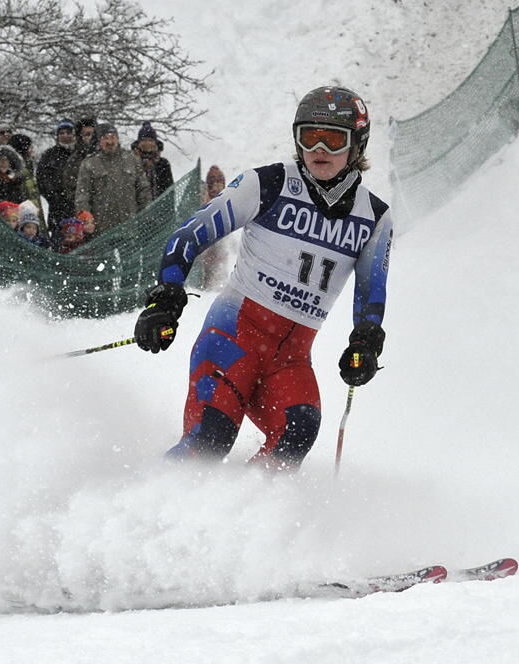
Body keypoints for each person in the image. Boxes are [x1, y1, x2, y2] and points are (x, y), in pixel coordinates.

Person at [133, 86, 393, 471]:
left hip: (289, 359)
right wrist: (165, 297)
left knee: (298, 431)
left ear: (358, 146)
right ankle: (139, 502)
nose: (319, 148)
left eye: (334, 139)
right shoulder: (268, 183)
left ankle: (244, 518)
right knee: (209, 440)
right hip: (232, 337)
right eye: (309, 136)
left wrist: (366, 341)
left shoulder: (374, 216)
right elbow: (190, 235)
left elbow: (372, 293)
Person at [74, 123, 151, 234]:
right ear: (99, 141)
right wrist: (86, 218)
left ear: (118, 139)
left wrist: (145, 213)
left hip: (130, 226)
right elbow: (83, 194)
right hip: (101, 230)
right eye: (105, 138)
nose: (110, 142)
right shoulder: (89, 163)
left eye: (113, 137)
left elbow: (144, 189)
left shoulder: (131, 159)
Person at [36, 118, 77, 231]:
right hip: (57, 210)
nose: (65, 135)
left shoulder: (80, 154)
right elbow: (41, 181)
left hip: (79, 207)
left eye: (68, 132)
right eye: (61, 133)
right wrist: (54, 197)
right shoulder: (48, 156)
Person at [132, 122, 174, 199]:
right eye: (144, 140)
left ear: (155, 143)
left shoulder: (163, 164)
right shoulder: (131, 162)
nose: (147, 143)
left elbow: (169, 190)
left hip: (159, 207)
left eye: (150, 140)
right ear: (138, 143)